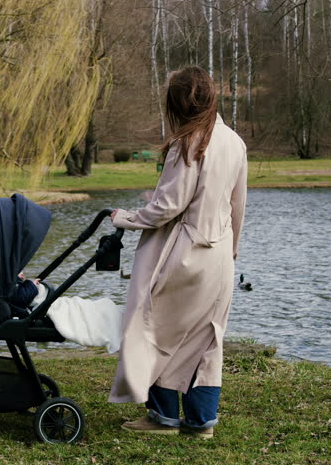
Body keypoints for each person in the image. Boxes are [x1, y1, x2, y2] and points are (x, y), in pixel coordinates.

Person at [108, 66, 247, 439]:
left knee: (160, 330)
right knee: (207, 337)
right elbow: (237, 204)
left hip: (184, 252)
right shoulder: (233, 141)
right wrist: (231, 249)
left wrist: (126, 217)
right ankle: (201, 422)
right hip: (218, 254)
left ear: (177, 104)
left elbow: (168, 205)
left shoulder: (188, 144)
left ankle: (163, 416)